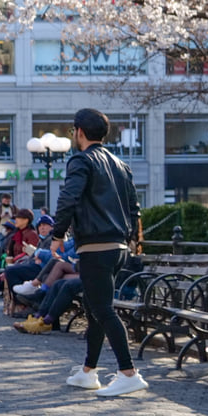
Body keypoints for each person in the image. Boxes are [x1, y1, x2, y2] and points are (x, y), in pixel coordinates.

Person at [51, 108, 147, 397]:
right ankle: (88, 372)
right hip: (117, 247)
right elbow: (134, 208)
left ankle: (128, 373)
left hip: (95, 246)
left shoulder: (81, 160)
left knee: (103, 310)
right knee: (95, 308)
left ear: (79, 132)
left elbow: (69, 197)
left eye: (73, 132)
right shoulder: (120, 164)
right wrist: (132, 238)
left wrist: (57, 235)